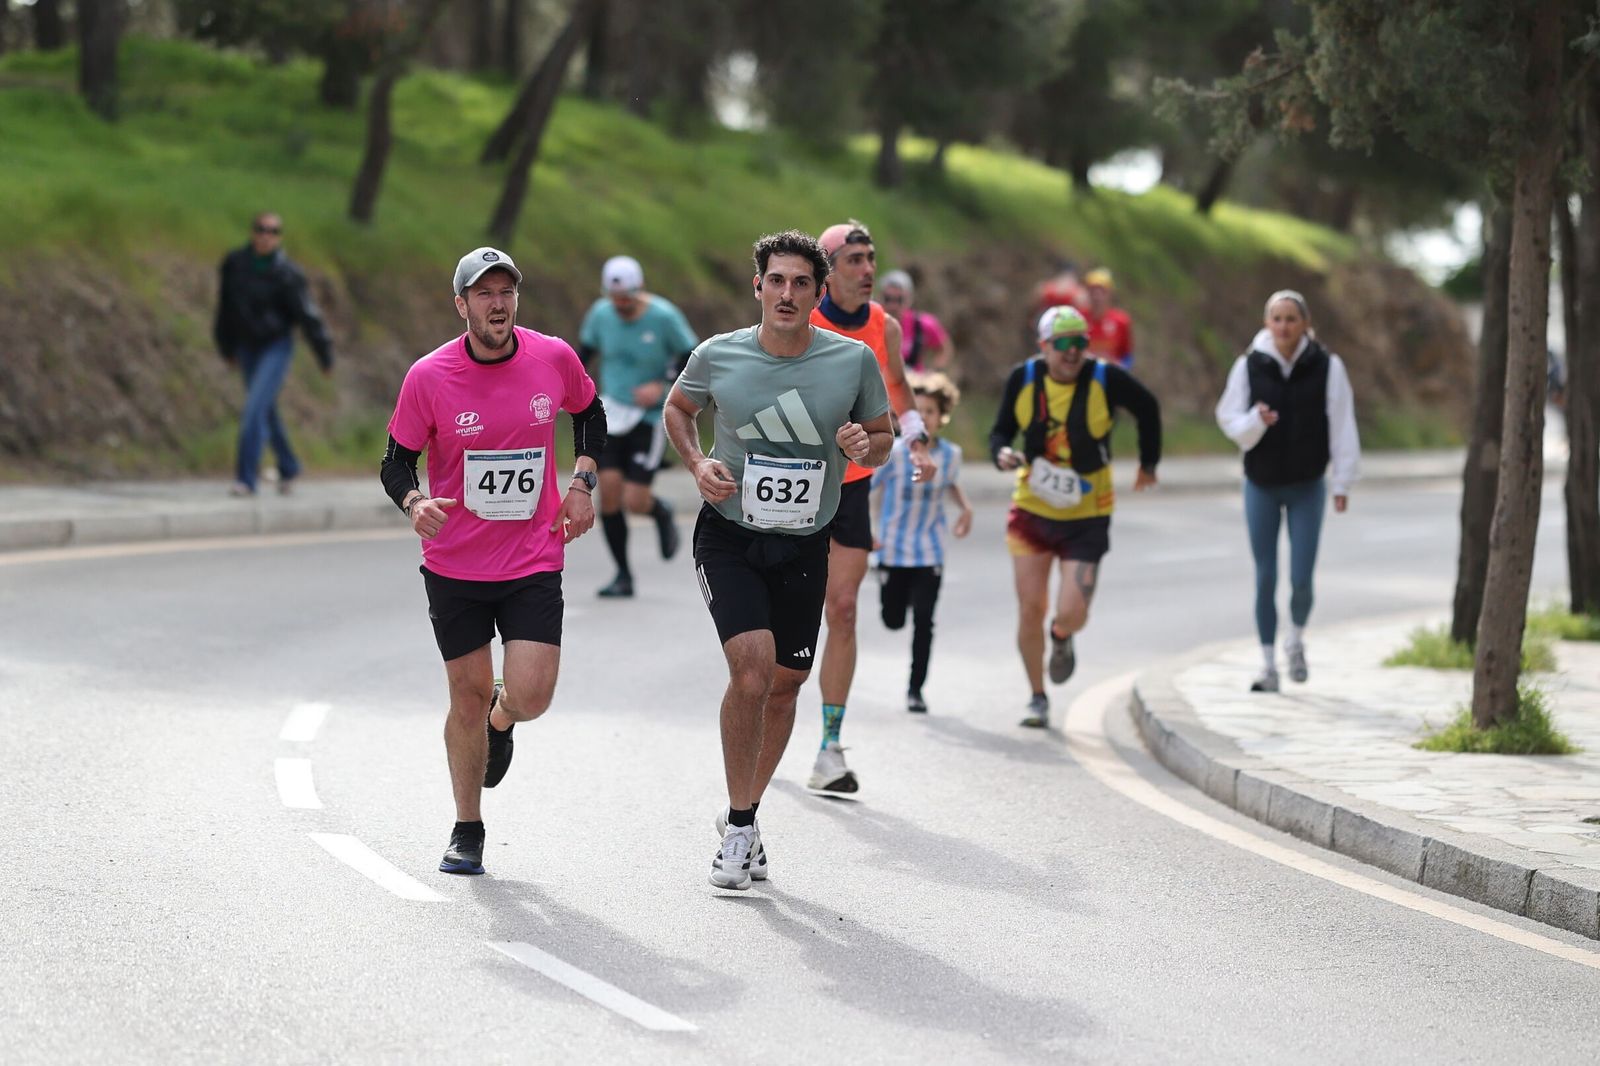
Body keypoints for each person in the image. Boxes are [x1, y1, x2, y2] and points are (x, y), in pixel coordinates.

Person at [663, 230, 893, 890]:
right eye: (777, 280)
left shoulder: (851, 362)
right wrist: (698, 460)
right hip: (730, 534)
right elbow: (680, 409)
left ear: (818, 294)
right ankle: (738, 830)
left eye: (801, 283)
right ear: (757, 287)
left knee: (789, 685)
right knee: (753, 670)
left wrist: (863, 444)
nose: (787, 293)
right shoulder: (720, 354)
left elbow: (883, 439)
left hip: (804, 540)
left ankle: (747, 812)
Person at [379, 247, 606, 876]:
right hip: (454, 563)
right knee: (466, 692)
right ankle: (467, 827)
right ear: (462, 306)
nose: (498, 303)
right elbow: (395, 461)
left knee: (530, 695)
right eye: (484, 294)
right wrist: (415, 501)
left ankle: (503, 720)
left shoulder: (552, 358)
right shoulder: (429, 376)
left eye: (506, 292)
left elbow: (589, 414)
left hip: (533, 556)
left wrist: (582, 484)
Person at [808, 220, 935, 794]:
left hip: (852, 484)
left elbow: (900, 389)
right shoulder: (801, 317)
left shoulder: (883, 323)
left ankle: (830, 745)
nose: (868, 270)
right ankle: (762, 704)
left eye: (871, 257)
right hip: (794, 480)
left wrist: (917, 441)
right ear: (829, 269)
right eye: (855, 259)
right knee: (785, 612)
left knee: (844, 609)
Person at [991, 305, 1161, 728]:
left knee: (1072, 611)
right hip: (1032, 506)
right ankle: (1037, 696)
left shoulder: (1105, 378)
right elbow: (1000, 430)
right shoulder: (1024, 378)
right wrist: (1001, 453)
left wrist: (1148, 463)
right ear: (1044, 346)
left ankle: (1062, 636)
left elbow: (1148, 408)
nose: (1073, 353)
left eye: (1080, 343)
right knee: (1030, 608)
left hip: (1088, 513)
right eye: (1063, 344)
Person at [1215, 290, 1359, 693]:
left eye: (1291, 318)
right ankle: (1267, 665)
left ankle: (1294, 640)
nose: (1283, 326)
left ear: (1306, 324)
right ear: (1266, 324)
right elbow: (1229, 421)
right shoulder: (1248, 366)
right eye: (1276, 318)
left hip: (1307, 485)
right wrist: (1255, 421)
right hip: (1260, 483)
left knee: (1300, 578)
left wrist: (1343, 480)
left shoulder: (1328, 366)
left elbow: (1343, 424)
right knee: (1265, 576)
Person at [577, 255, 699, 598]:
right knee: (610, 493)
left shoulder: (663, 316)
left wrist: (661, 385)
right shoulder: (601, 315)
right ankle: (623, 574)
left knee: (635, 499)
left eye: (627, 298)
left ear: (639, 289)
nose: (621, 305)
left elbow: (692, 355)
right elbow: (582, 355)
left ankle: (660, 510)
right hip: (611, 413)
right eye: (615, 299)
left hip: (649, 418)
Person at [871, 371, 973, 714]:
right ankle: (897, 600)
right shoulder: (895, 453)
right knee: (893, 619)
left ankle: (915, 690)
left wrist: (966, 509)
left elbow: (952, 483)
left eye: (931, 411)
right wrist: (867, 530)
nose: (925, 416)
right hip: (893, 550)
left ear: (941, 417)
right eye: (919, 410)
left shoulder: (951, 455)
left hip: (929, 552)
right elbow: (869, 489)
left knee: (925, 622)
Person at [213, 211, 334, 497]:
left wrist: (323, 353)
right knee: (264, 409)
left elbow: (307, 315)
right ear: (253, 232)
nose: (266, 235)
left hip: (276, 346)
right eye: (261, 229)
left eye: (273, 231)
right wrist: (226, 347)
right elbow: (225, 309)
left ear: (279, 237)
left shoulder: (287, 273)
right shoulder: (235, 264)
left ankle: (245, 478)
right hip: (246, 346)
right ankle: (289, 465)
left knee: (254, 408)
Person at [879, 269, 954, 373]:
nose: (893, 306)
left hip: (913, 384)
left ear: (909, 299)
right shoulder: (871, 324)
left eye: (899, 300)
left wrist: (935, 371)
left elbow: (944, 348)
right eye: (888, 299)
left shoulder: (923, 324)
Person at [1081, 268, 1134, 371]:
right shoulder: (1078, 319)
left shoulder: (1121, 321)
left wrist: (1121, 367)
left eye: (1101, 291)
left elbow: (1127, 356)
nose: (1097, 296)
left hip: (1110, 377)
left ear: (1109, 293)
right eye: (1093, 291)